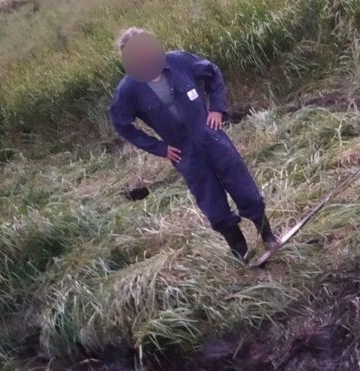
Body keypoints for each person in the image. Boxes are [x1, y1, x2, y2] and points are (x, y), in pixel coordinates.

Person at [109, 27, 277, 264]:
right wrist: (160, 148)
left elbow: (213, 73)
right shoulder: (128, 89)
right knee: (213, 205)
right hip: (184, 153)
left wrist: (217, 108)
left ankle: (268, 236)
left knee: (244, 189)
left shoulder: (178, 61)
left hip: (212, 137)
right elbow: (122, 124)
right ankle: (241, 252)